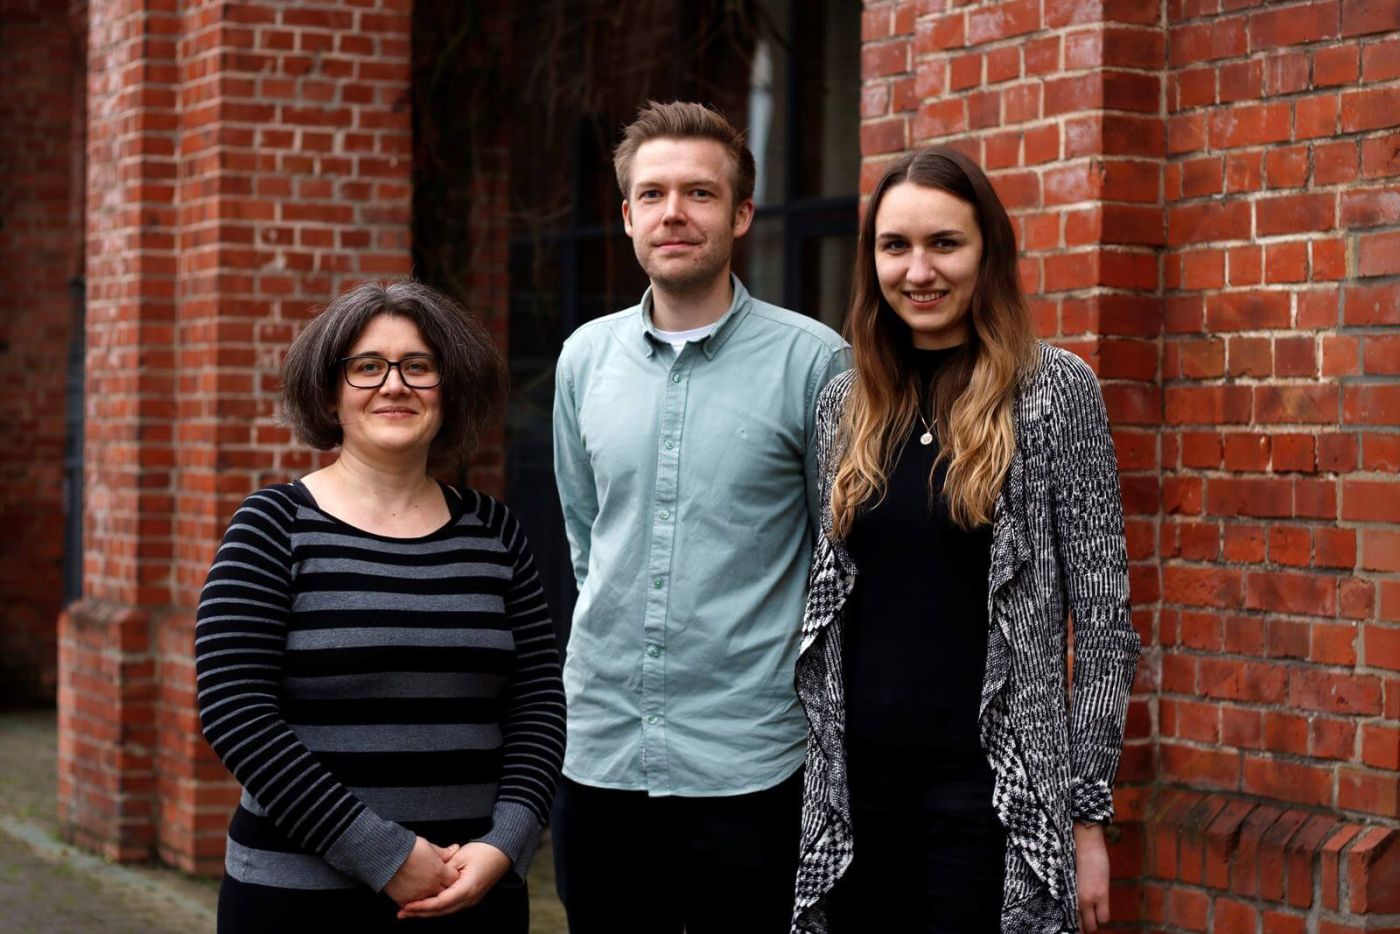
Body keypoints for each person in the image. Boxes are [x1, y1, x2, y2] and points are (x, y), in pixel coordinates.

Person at [791, 147, 1141, 933]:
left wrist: (1087, 816)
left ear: (989, 252)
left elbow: (1107, 626)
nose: (919, 270)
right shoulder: (844, 403)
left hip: (992, 798)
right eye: (895, 246)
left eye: (944, 243)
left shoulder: (1055, 392)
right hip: (857, 796)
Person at [551, 100, 849, 934]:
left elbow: (837, 556)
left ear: (742, 213)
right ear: (626, 216)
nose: (673, 213)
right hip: (602, 754)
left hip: (750, 763)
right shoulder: (583, 359)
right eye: (652, 195)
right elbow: (586, 535)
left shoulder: (815, 362)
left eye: (699, 193)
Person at [196, 281, 566, 933]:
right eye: (367, 366)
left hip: (473, 893)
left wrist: (505, 844)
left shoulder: (494, 531)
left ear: (448, 390)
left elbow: (536, 701)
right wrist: (383, 854)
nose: (394, 385)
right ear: (329, 391)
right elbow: (236, 712)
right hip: (298, 901)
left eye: (418, 366)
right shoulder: (272, 526)